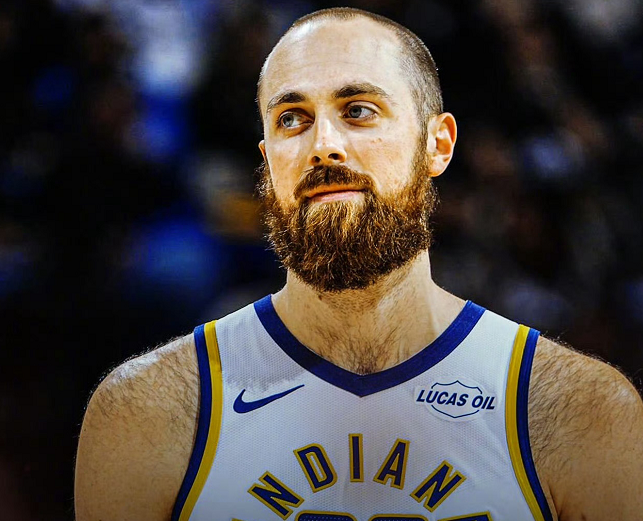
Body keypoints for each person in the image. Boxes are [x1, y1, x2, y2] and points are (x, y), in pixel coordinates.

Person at [74, 7, 643, 521]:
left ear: (438, 145)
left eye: (359, 110)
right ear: (266, 161)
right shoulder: (147, 413)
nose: (324, 144)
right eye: (292, 119)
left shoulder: (581, 412)